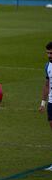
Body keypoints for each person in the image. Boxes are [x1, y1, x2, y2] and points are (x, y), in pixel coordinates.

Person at [39, 42, 52, 171]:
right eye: (47, 53)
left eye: (51, 53)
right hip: (51, 102)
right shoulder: (48, 66)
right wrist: (43, 102)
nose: (49, 55)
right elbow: (47, 84)